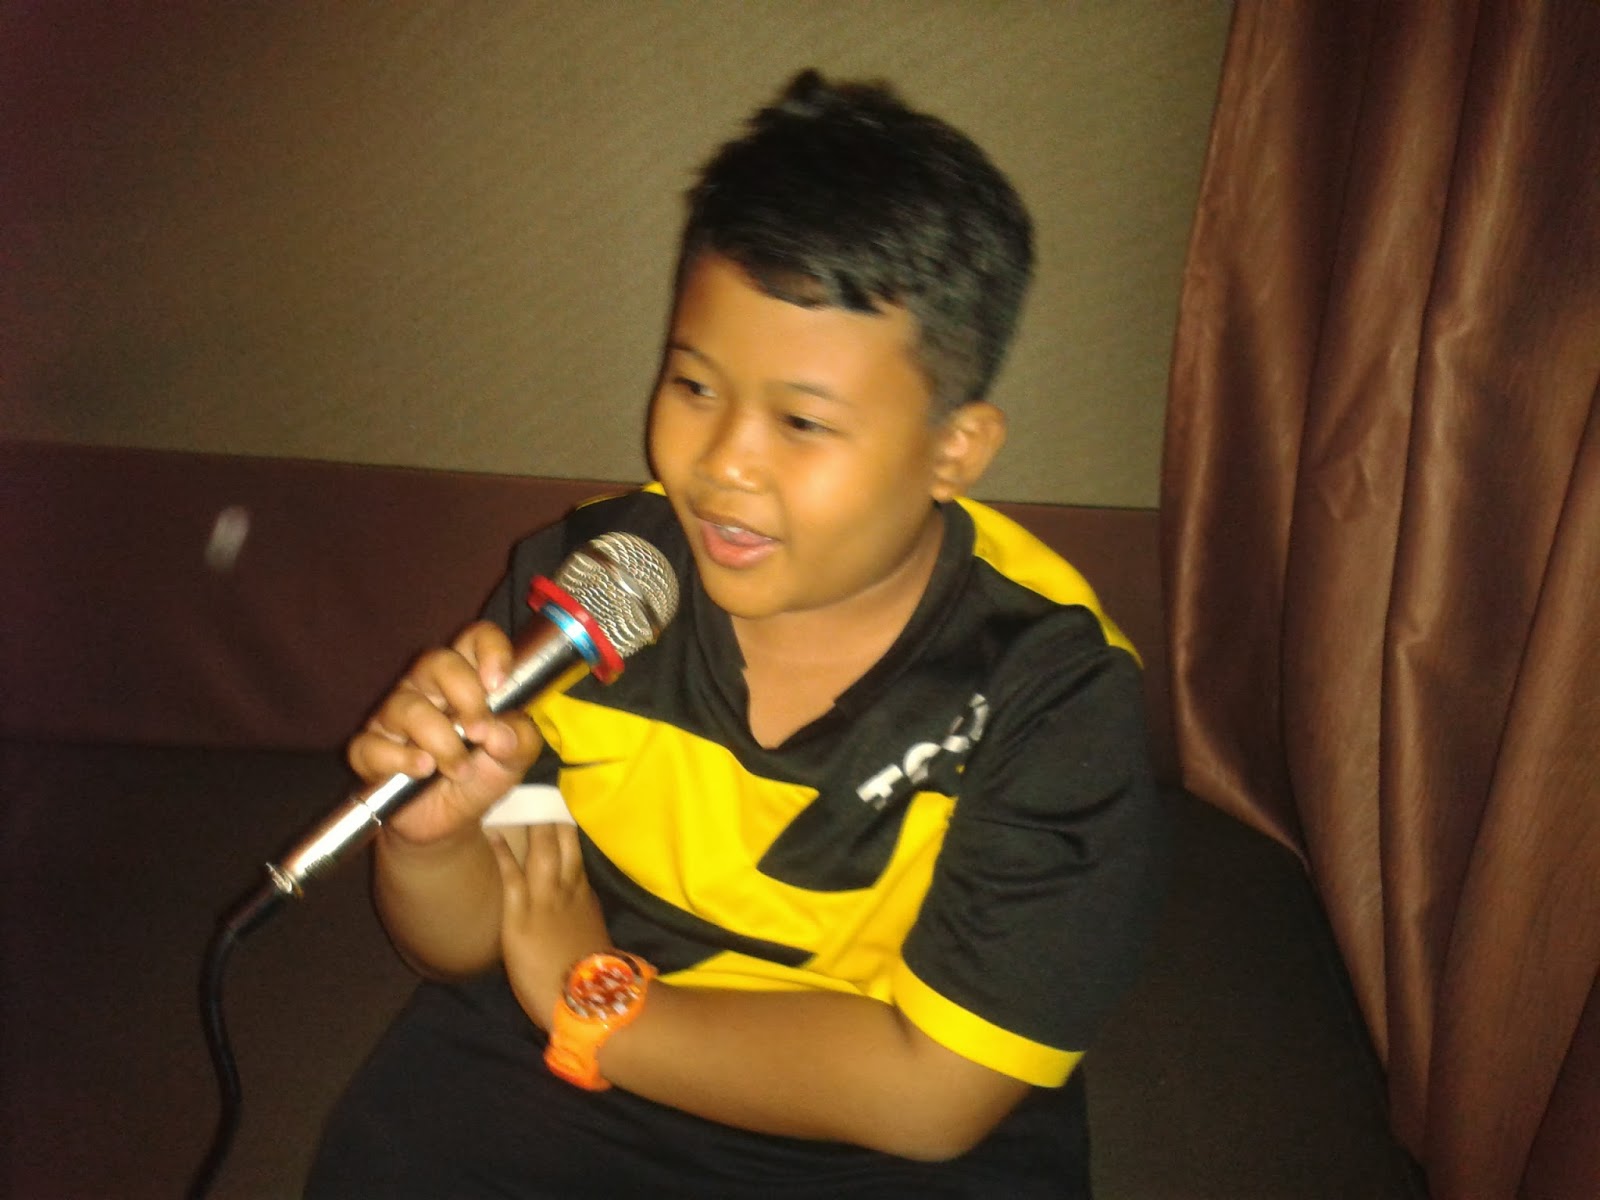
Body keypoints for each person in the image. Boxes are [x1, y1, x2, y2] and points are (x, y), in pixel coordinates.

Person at [304, 69, 1166, 1199]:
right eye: (693, 386)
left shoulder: (1049, 689)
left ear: (954, 449)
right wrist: (432, 840)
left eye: (801, 421)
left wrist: (590, 998)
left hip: (856, 1093)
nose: (721, 465)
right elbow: (465, 944)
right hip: (569, 1038)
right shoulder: (592, 582)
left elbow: (937, 1096)